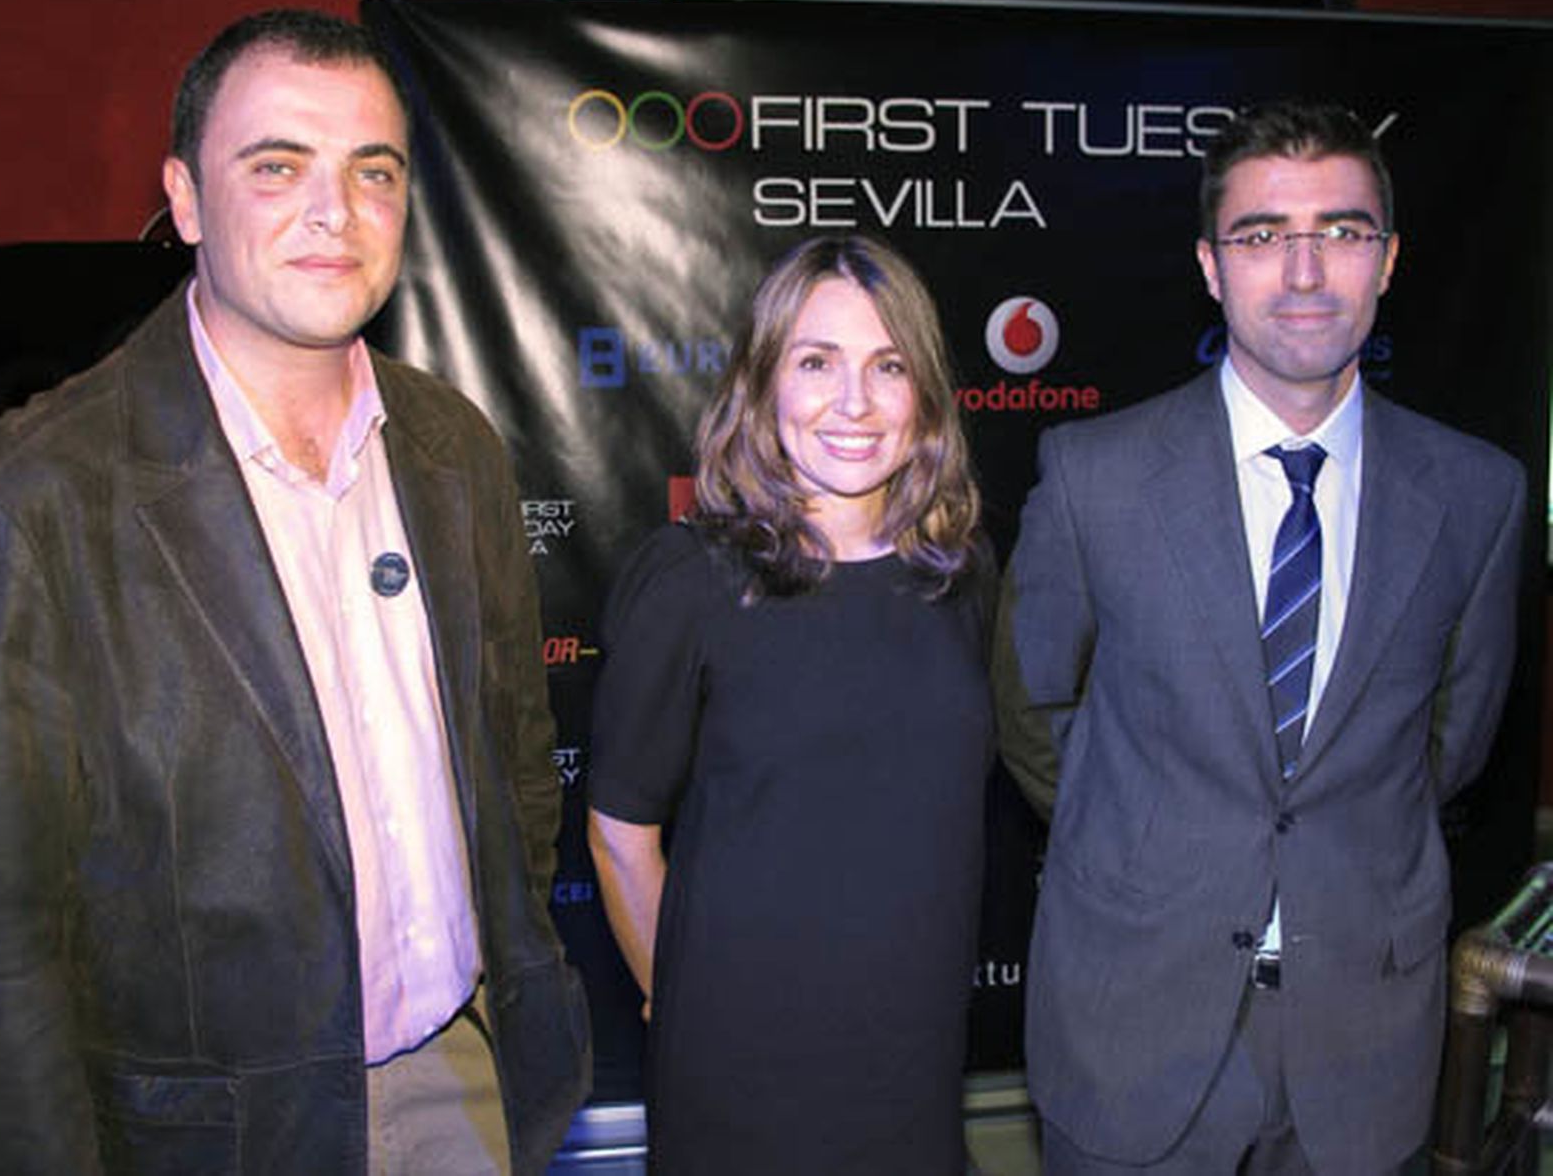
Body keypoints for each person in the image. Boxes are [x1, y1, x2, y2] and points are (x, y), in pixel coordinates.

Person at [0, 9, 589, 1174]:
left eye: (373, 170)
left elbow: (513, 760)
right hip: (208, 1137)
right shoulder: (30, 501)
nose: (334, 211)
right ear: (186, 200)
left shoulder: (455, 445)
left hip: (464, 1081)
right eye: (278, 165)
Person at [993, 101, 1525, 1175]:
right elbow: (1035, 711)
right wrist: (1159, 842)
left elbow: (1447, 744)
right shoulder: (1094, 477)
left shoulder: (1478, 495)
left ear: (1387, 260)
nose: (1303, 271)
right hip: (1131, 1022)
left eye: (1342, 231)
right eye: (1262, 235)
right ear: (1210, 265)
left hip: (1366, 1039)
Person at [587, 235, 992, 1175]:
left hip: (916, 1062)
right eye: (817, 363)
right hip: (736, 1074)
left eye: (888, 366)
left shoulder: (962, 576)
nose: (854, 402)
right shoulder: (690, 580)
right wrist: (687, 1010)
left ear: (925, 394)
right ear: (764, 381)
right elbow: (619, 833)